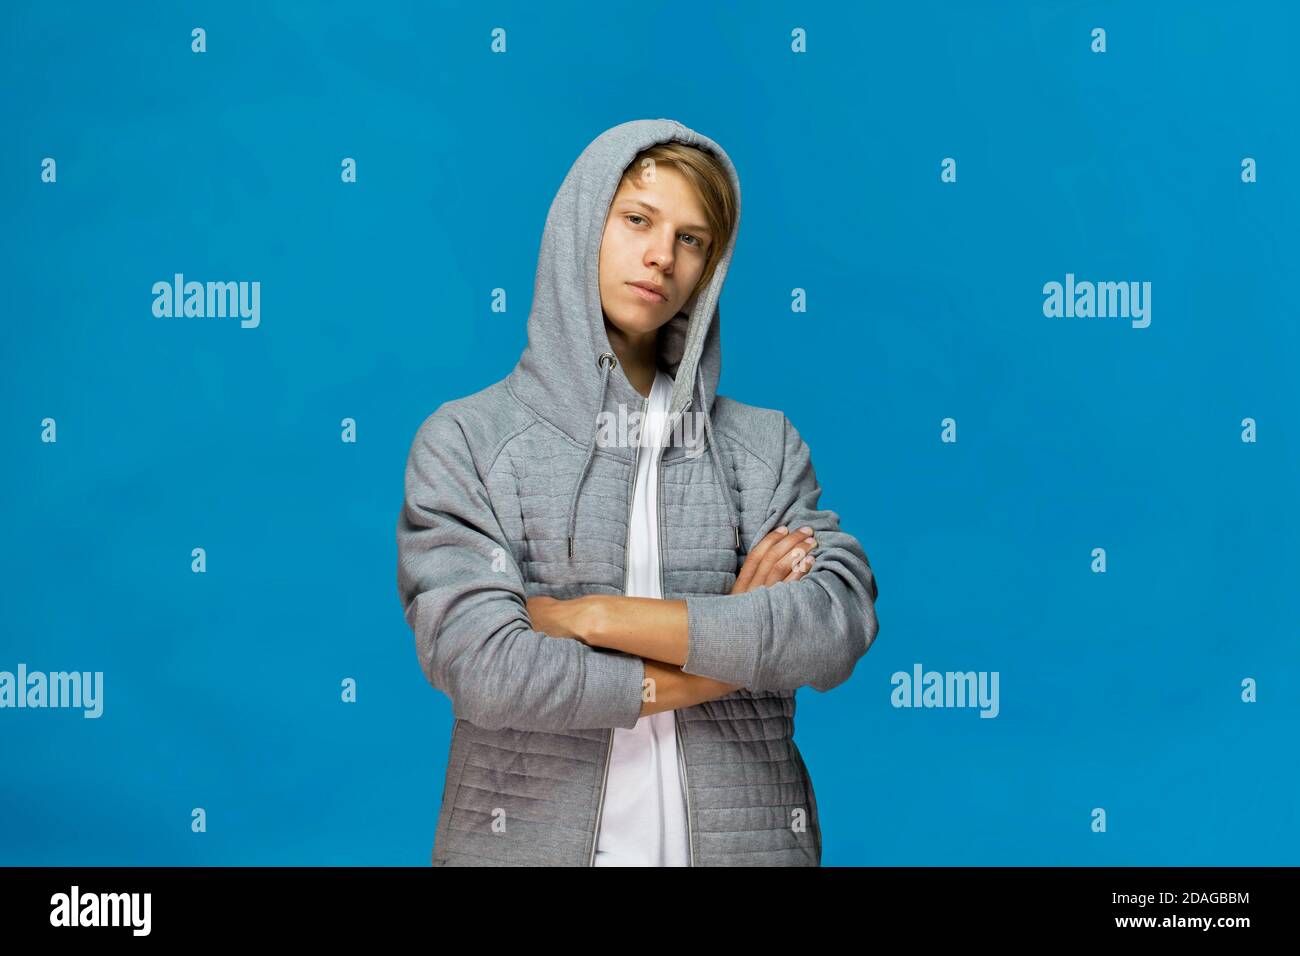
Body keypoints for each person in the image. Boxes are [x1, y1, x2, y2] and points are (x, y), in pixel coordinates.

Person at [396, 118, 880, 866]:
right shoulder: (466, 442)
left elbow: (834, 626)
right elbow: (490, 672)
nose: (662, 256)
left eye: (692, 240)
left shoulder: (765, 445)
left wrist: (590, 616)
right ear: (583, 225)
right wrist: (731, 654)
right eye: (637, 220)